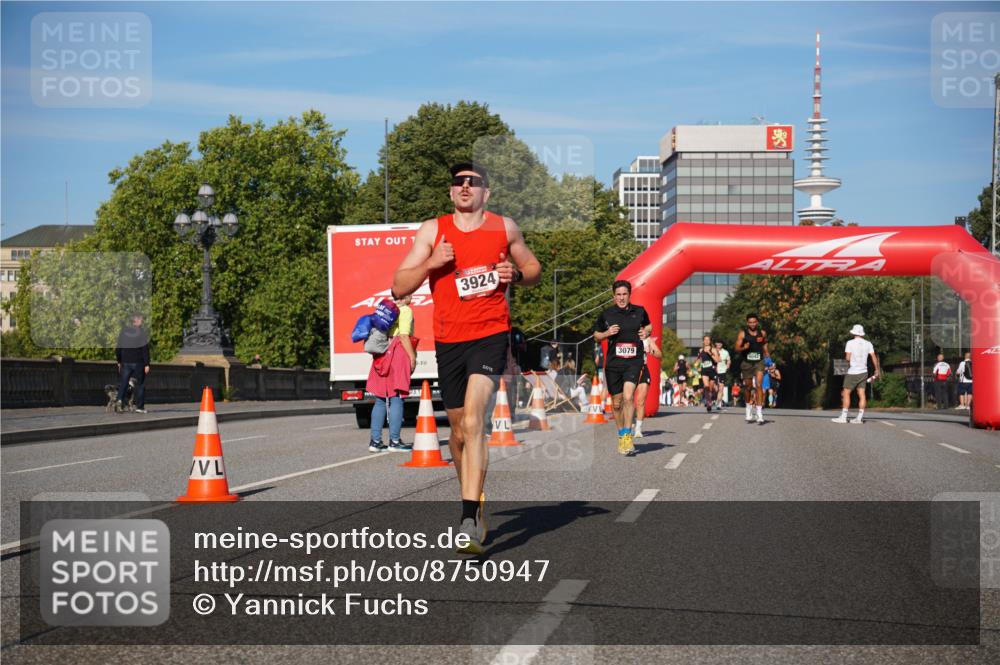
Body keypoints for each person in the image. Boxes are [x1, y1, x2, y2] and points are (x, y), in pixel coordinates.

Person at [392, 162, 541, 555]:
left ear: (485, 193)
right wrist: (431, 264)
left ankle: (468, 519)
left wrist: (516, 275)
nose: (465, 187)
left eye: (473, 183)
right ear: (450, 191)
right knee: (457, 433)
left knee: (475, 421)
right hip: (449, 340)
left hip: (490, 335)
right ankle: (474, 498)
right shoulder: (432, 230)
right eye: (458, 182)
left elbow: (532, 267)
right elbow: (398, 286)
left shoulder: (504, 227)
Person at [593, 280, 652, 455]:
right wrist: (606, 333)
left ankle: (627, 435)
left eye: (624, 294)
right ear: (613, 296)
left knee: (628, 397)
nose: (621, 298)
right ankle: (621, 433)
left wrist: (647, 331)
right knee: (617, 403)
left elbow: (649, 325)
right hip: (613, 363)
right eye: (618, 295)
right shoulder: (607, 314)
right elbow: (596, 336)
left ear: (629, 295)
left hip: (633, 362)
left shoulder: (639, 311)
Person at [366, 294, 416, 452]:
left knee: (380, 399)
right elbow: (403, 336)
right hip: (398, 352)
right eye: (410, 293)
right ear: (405, 297)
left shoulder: (387, 311)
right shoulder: (406, 310)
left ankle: (375, 441)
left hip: (382, 351)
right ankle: (394, 441)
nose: (413, 296)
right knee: (397, 398)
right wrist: (412, 357)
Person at [832, 324, 880, 424]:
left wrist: (841, 370)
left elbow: (848, 358)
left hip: (852, 372)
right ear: (862, 333)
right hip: (863, 372)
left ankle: (844, 417)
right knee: (861, 394)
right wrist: (876, 369)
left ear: (853, 333)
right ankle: (859, 418)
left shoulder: (850, 343)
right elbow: (873, 357)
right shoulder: (868, 343)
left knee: (846, 393)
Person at [735, 313, 769, 425]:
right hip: (747, 363)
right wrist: (744, 347)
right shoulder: (743, 334)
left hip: (759, 362)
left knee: (759, 385)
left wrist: (769, 359)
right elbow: (736, 348)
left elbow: (765, 347)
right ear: (747, 323)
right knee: (748, 387)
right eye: (750, 322)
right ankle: (748, 409)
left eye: (754, 322)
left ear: (757, 322)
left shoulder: (762, 333)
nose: (752, 324)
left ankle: (759, 413)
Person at [115, 313, 150, 414]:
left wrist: (119, 361)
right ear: (137, 321)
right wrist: (147, 364)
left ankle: (119, 400)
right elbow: (145, 349)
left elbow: (118, 347)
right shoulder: (141, 332)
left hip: (125, 361)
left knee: (124, 383)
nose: (142, 322)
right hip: (138, 362)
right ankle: (140, 407)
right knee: (141, 384)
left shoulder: (124, 331)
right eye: (141, 320)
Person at [633, 335, 662, 438]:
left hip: (643, 369)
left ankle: (638, 429)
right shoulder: (628, 334)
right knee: (627, 399)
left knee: (640, 401)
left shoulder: (647, 339)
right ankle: (630, 419)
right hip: (629, 370)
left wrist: (651, 351)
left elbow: (659, 354)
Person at [697, 335, 720, 413]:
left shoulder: (713, 349)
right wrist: (698, 366)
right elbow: (699, 360)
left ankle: (712, 397)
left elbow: (717, 360)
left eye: (708, 340)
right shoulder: (701, 350)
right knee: (706, 387)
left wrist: (709, 353)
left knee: (711, 388)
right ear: (703, 341)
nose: (706, 341)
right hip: (704, 370)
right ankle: (709, 403)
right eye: (705, 340)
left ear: (710, 341)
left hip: (712, 370)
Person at [714, 340, 731, 409]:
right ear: (716, 344)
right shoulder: (713, 351)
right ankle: (715, 399)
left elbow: (729, 360)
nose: (719, 344)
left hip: (722, 371)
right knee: (715, 389)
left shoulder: (725, 352)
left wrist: (728, 365)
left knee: (721, 388)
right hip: (714, 371)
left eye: (720, 343)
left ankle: (719, 403)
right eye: (718, 343)